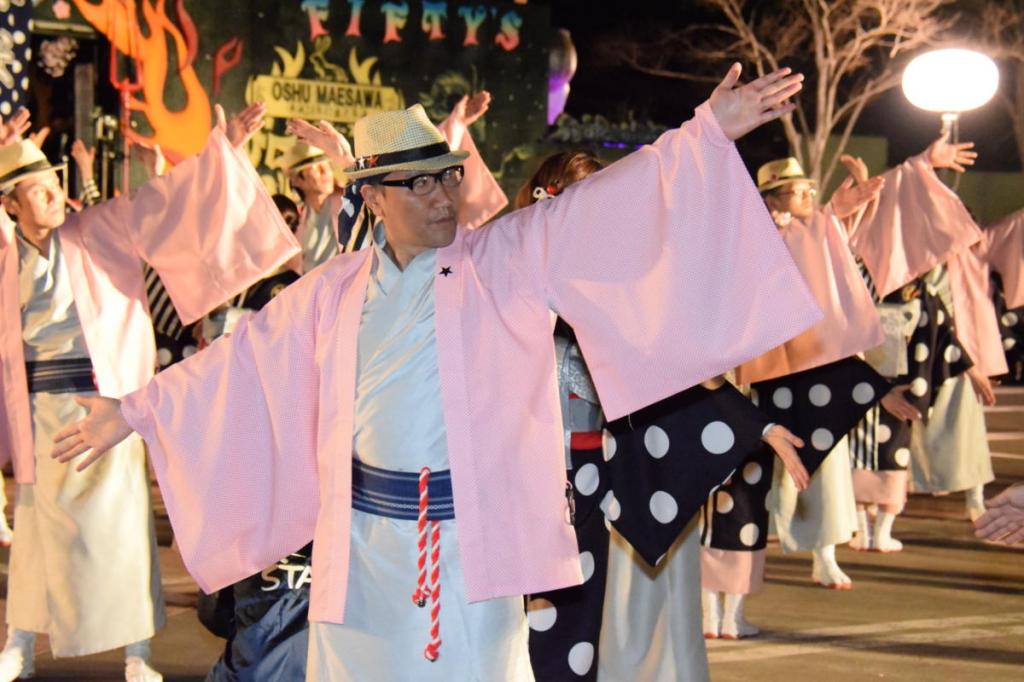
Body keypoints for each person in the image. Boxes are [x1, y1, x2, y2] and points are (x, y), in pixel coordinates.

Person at [54, 66, 816, 680]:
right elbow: (241, 362)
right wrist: (135, 411)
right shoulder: (333, 291)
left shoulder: (505, 260)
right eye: (415, 183)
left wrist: (707, 132)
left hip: (469, 547)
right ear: (373, 196)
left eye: (445, 177)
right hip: (359, 545)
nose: (440, 195)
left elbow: (606, 206)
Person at [0, 103, 299, 682]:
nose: (53, 198)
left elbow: (164, 202)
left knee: (122, 528)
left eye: (54, 185)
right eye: (36, 193)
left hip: (107, 398)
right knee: (37, 531)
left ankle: (138, 652)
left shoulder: (98, 229)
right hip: (38, 405)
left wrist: (223, 154)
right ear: (9, 203)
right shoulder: (7, 251)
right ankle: (17, 642)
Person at [517, 152, 808, 679]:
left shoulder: (620, 292)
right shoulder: (503, 278)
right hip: (513, 486)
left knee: (583, 625)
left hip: (591, 483)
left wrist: (753, 424)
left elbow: (674, 373)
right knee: (514, 626)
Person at [728, 156, 898, 593]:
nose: (807, 197)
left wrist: (843, 207)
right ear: (770, 198)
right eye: (797, 191)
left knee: (827, 458)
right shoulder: (755, 233)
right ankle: (741, 560)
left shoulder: (812, 230)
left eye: (808, 189)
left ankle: (825, 553)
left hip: (819, 362)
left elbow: (833, 230)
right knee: (760, 463)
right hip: (770, 368)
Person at [849, 134, 1000, 521]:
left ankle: (969, 493)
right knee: (887, 425)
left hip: (944, 340)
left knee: (956, 419)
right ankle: (873, 507)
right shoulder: (891, 255)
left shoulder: (960, 258)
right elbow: (888, 206)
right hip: (897, 342)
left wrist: (972, 359)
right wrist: (922, 163)